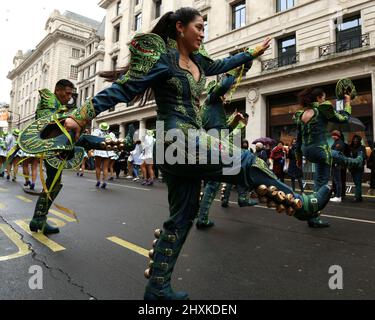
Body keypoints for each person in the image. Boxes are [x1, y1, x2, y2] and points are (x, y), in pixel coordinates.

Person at [63, 8, 332, 300]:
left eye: (205, 28)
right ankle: (303, 205)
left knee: (182, 217)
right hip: (176, 140)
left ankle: (157, 288)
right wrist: (81, 116)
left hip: (189, 144)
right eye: (199, 27)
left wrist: (251, 53)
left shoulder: (199, 62)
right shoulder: (163, 58)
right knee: (242, 159)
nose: (203, 33)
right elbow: (125, 89)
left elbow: (222, 64)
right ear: (180, 28)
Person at [196, 64, 256, 229]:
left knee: (216, 181)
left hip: (214, 146)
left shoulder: (213, 108)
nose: (225, 97)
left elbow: (223, 130)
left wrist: (235, 122)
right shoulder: (211, 100)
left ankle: (202, 216)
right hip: (214, 147)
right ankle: (241, 197)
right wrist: (236, 68)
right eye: (222, 95)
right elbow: (223, 86)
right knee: (244, 164)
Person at [294, 87, 364, 228]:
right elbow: (343, 118)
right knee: (322, 186)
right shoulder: (322, 109)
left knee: (332, 159)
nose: (325, 100)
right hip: (320, 151)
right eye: (324, 97)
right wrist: (348, 102)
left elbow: (299, 139)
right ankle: (356, 162)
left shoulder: (301, 115)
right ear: (319, 98)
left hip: (308, 151)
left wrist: (298, 158)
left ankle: (312, 216)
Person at [29, 80, 75, 235]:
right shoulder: (49, 101)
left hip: (56, 146)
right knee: (53, 183)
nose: (69, 97)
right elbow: (46, 122)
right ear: (57, 90)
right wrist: (69, 118)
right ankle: (38, 219)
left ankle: (38, 219)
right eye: (67, 93)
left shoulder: (57, 104)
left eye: (71, 94)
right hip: (51, 147)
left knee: (53, 183)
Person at [93, 123, 115, 189]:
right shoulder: (111, 134)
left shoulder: (96, 132)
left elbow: (93, 140)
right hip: (108, 152)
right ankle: (105, 182)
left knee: (97, 167)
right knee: (105, 168)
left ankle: (98, 181)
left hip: (99, 151)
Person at [349, 135, 366, 202]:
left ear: (359, 140)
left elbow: (364, 157)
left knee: (358, 183)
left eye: (357, 140)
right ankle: (359, 196)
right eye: (354, 139)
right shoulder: (350, 147)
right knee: (356, 182)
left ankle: (357, 197)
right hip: (352, 168)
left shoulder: (362, 148)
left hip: (359, 168)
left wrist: (358, 158)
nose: (355, 141)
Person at [330, 130, 345, 202]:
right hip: (335, 163)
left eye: (334, 135)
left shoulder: (339, 143)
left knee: (338, 181)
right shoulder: (336, 142)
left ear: (338, 136)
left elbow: (335, 153)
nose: (333, 136)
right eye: (332, 135)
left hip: (337, 164)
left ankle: (338, 196)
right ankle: (338, 195)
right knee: (336, 180)